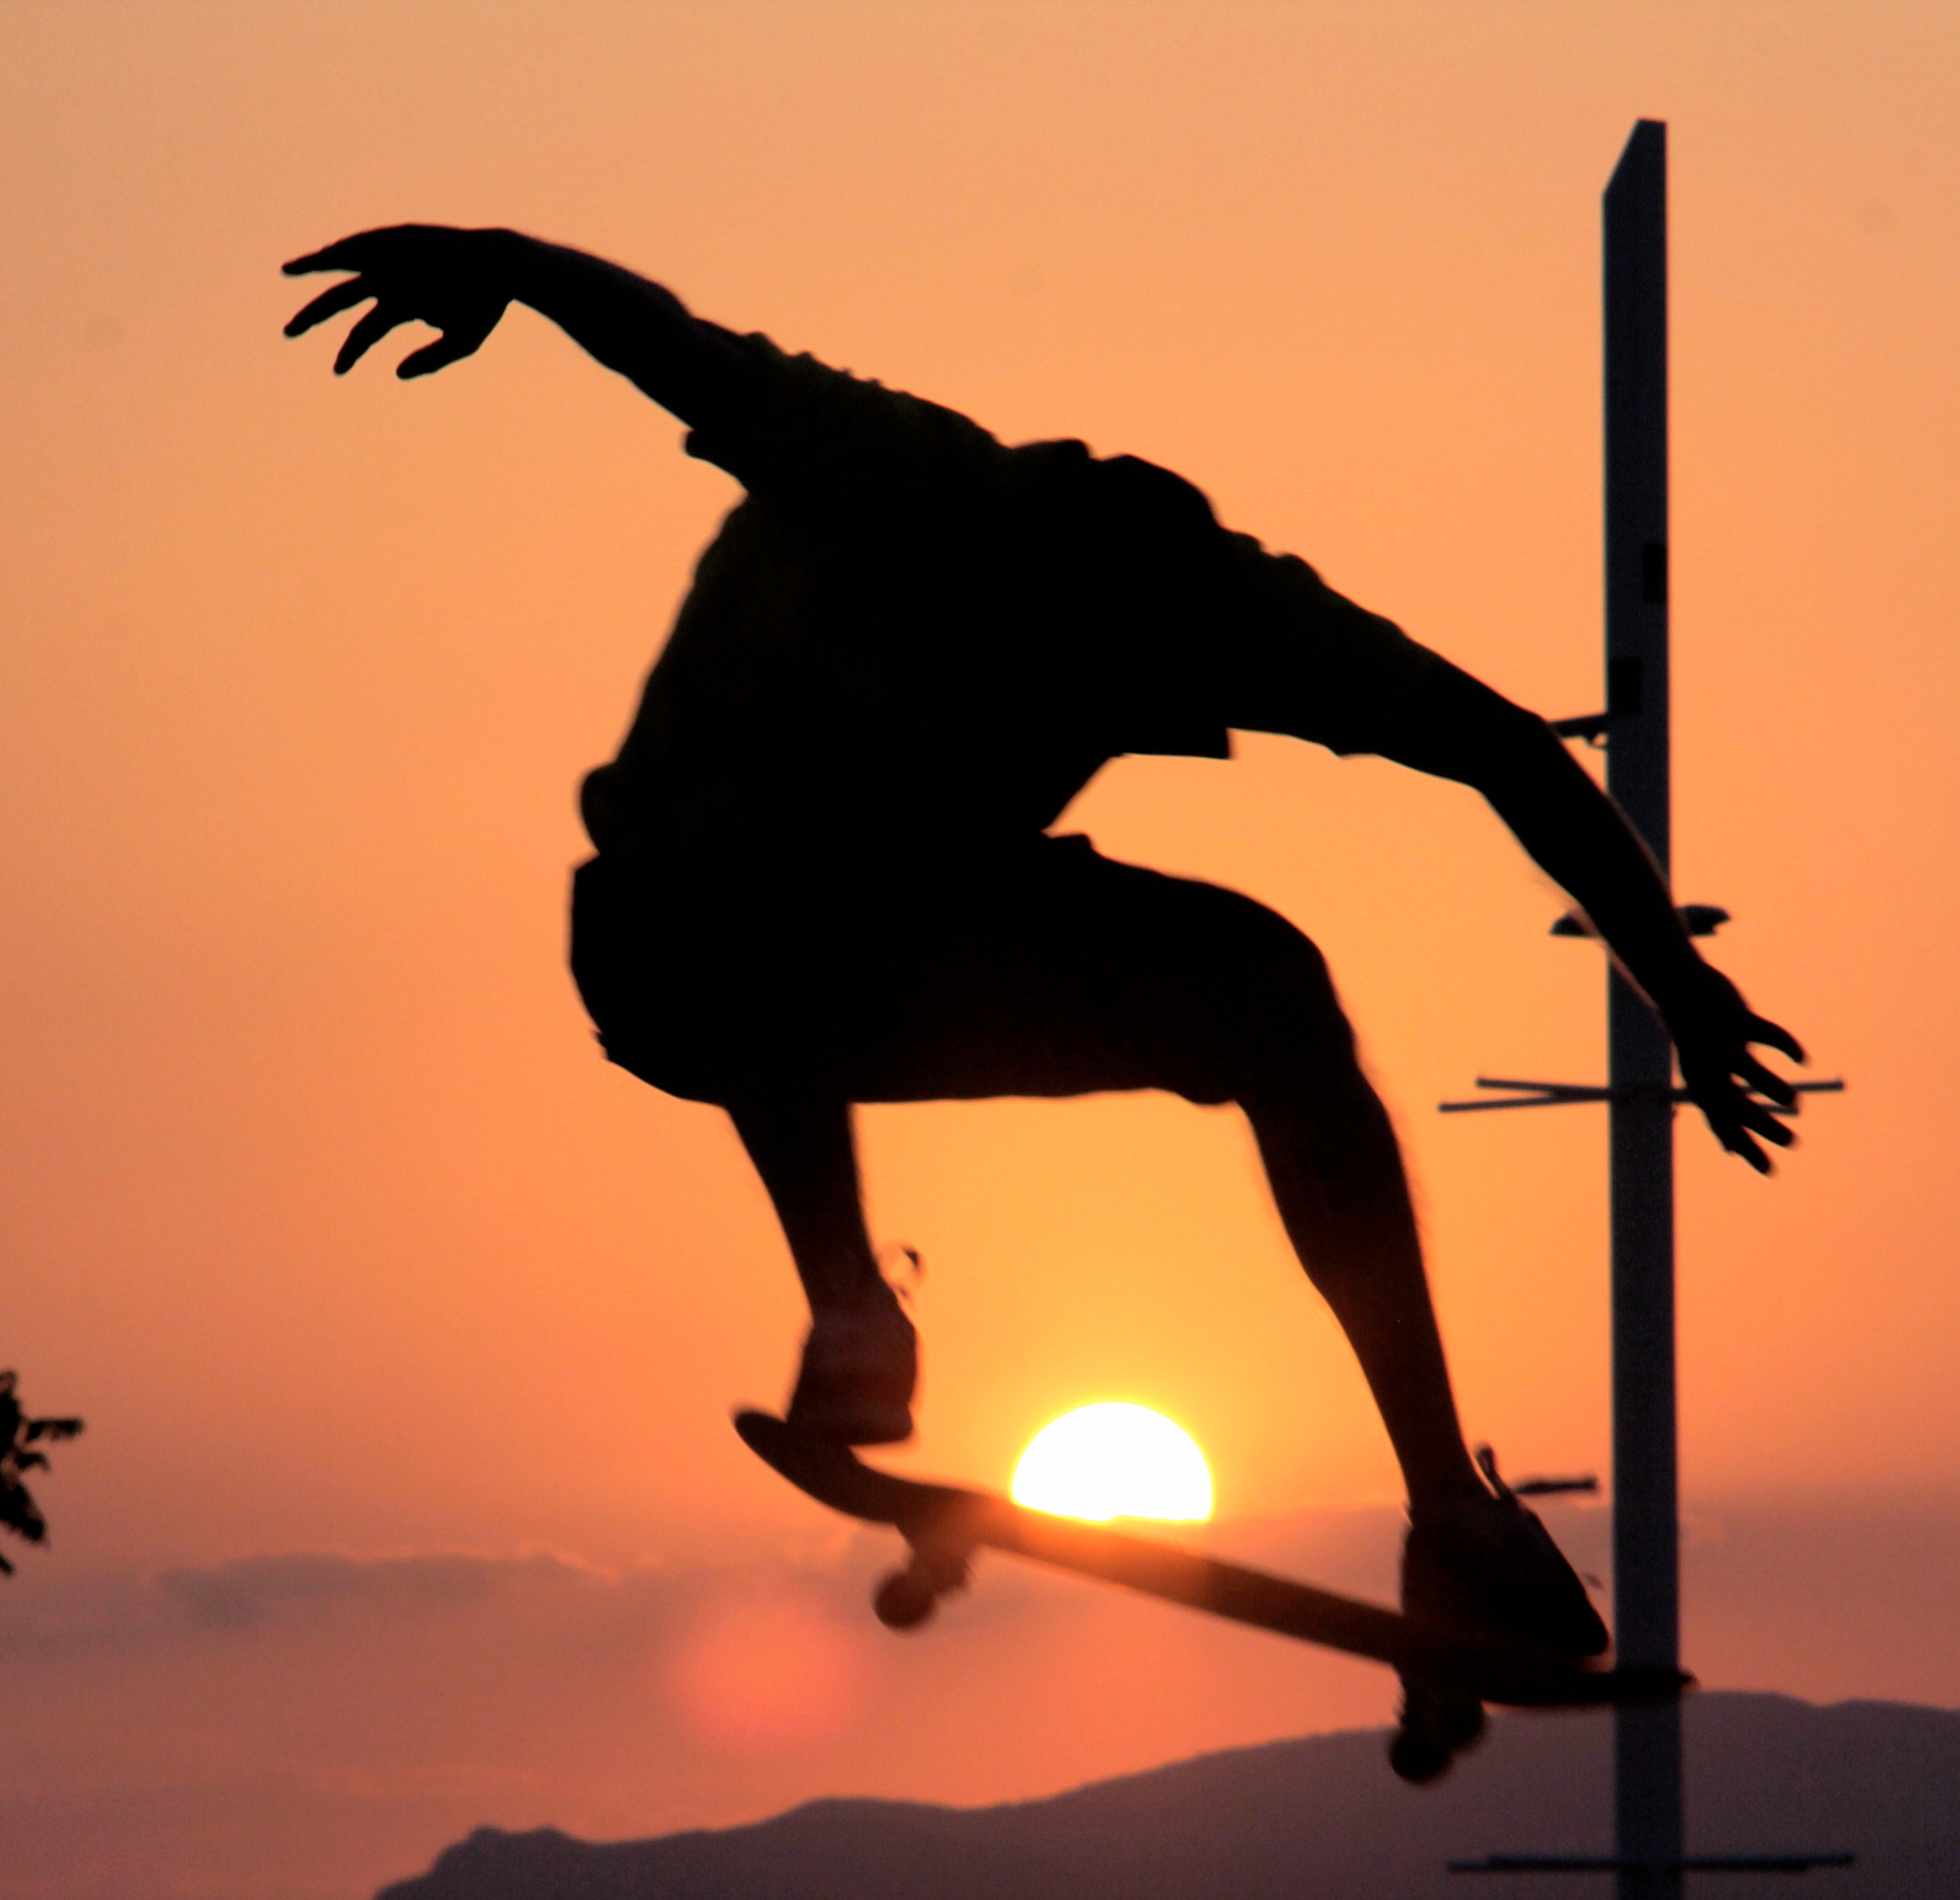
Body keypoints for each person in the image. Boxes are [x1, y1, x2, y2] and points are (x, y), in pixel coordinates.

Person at [283, 226, 1803, 1668]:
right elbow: (667, 344)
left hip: (927, 946)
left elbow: (1506, 755)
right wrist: (508, 271)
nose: (1069, 713)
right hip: (677, 947)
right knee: (764, 832)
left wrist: (1680, 987)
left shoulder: (1225, 612)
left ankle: (1446, 1508)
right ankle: (849, 1305)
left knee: (1271, 985)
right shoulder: (885, 469)